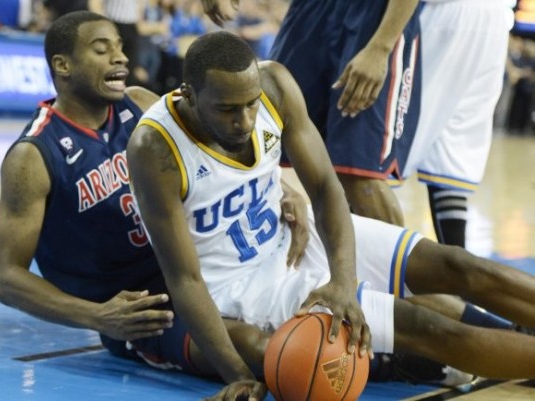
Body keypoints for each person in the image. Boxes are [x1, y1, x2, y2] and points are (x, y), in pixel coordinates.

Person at [127, 31, 535, 400]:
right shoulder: (155, 149)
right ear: (188, 95)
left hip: (295, 234)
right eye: (228, 110)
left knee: (458, 265)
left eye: (251, 105)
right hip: (247, 284)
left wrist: (342, 281)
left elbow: (324, 187)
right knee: (430, 329)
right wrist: (237, 374)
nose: (245, 121)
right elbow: (185, 278)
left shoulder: (275, 85)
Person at [0, 10, 309, 387]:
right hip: (145, 308)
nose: (121, 57)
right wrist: (97, 316)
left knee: (322, 315)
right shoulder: (33, 156)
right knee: (264, 351)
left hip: (208, 264)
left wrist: (279, 188)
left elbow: (212, 157)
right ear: (63, 65)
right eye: (102, 50)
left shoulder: (140, 103)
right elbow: (6, 277)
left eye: (120, 47)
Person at [266, 0, 422, 226]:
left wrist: (380, 48)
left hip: (373, 18)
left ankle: (398, 251)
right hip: (310, 12)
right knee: (264, 137)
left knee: (358, 172)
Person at [401, 0, 516, 248]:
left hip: (444, 15)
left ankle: (366, 256)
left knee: (391, 137)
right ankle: (456, 262)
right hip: (495, 21)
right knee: (451, 153)